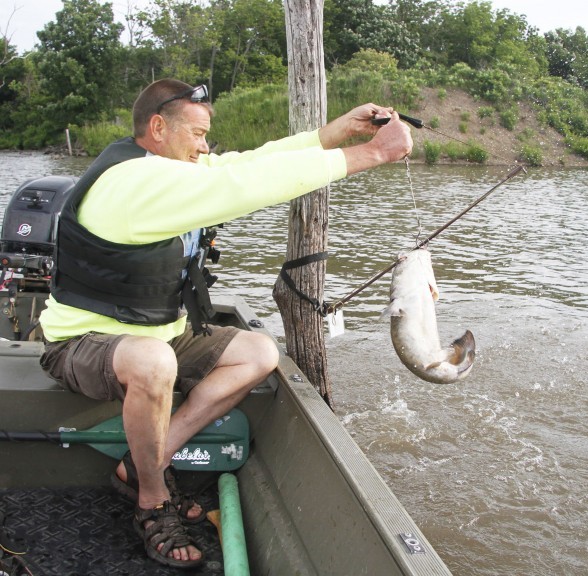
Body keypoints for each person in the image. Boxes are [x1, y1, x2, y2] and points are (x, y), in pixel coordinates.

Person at [38, 78, 412, 569]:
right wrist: (372, 155)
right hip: (84, 342)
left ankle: (143, 462)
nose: (205, 146)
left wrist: (333, 133)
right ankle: (152, 498)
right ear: (157, 127)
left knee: (258, 352)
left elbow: (249, 163)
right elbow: (241, 187)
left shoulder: (166, 167)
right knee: (153, 363)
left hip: (164, 333)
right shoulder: (132, 183)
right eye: (196, 134)